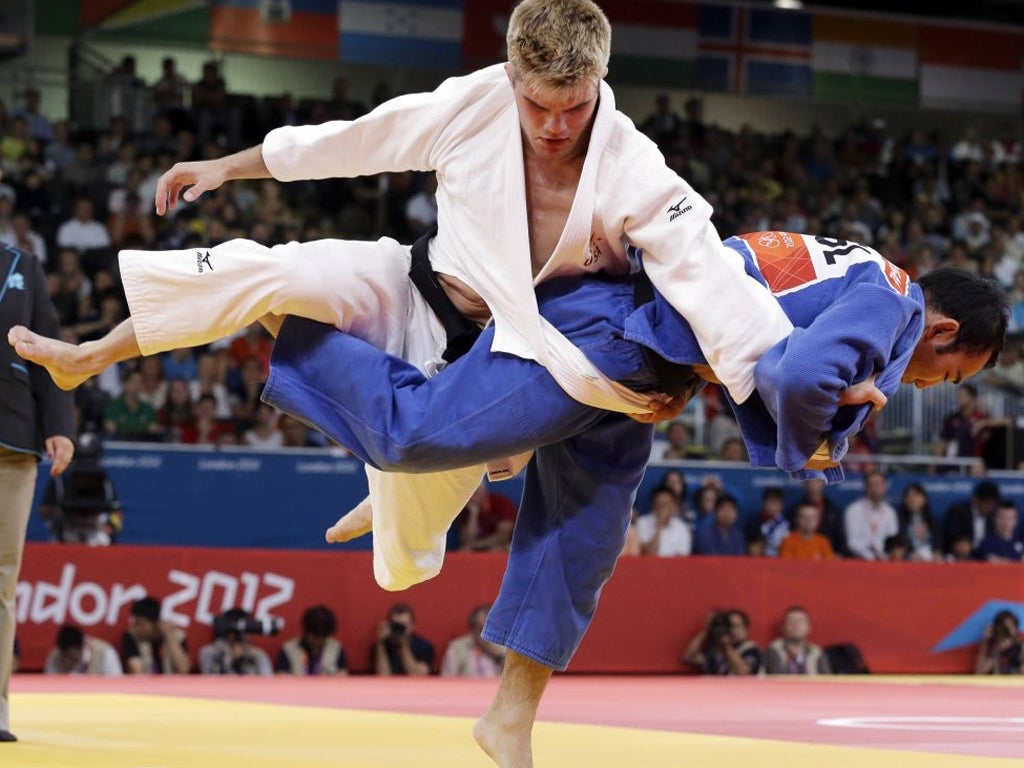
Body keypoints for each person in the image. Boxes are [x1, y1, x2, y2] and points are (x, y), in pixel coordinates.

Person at [0, 244, 75, 743]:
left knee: (3, 574)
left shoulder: (22, 264)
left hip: (13, 435)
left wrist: (60, 424)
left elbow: (51, 347)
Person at [121, 596, 191, 675]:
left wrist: (170, 638)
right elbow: (136, 671)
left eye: (140, 624)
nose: (136, 628)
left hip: (172, 685)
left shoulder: (177, 636)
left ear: (154, 622)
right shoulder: (131, 637)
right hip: (145, 685)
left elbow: (183, 669)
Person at [682, 610, 762, 675]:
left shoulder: (751, 649)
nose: (732, 630)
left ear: (746, 629)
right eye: (730, 626)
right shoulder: (715, 651)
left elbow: (743, 672)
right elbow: (689, 657)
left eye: (736, 626)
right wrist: (705, 630)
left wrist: (726, 645)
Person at [275, 604, 347, 675]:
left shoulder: (336, 649)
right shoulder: (289, 649)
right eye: (314, 636)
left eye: (322, 637)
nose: (317, 641)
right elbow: (281, 678)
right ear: (306, 632)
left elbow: (342, 678)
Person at [198, 608, 274, 676]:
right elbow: (209, 679)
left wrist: (247, 657)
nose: (249, 635)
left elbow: (268, 680)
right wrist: (227, 659)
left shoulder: (257, 655)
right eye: (246, 632)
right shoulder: (209, 652)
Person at [440, 604, 506, 678]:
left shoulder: (505, 646)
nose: (484, 635)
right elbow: (447, 679)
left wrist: (497, 656)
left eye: (488, 630)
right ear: (472, 628)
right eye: (480, 629)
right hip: (467, 688)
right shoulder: (457, 647)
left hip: (498, 687)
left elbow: (514, 677)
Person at [764, 607, 831, 675]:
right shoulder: (774, 650)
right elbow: (777, 678)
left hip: (813, 685)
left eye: (800, 621)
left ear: (809, 627)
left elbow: (827, 679)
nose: (796, 625)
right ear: (782, 627)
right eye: (791, 621)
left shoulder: (817, 652)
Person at [374, 604, 434, 677]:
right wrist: (381, 644)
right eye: (396, 626)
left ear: (412, 626)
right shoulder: (382, 647)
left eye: (403, 626)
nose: (399, 630)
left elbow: (417, 675)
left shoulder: (424, 646)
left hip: (416, 687)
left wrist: (403, 645)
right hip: (389, 686)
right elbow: (383, 676)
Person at [44, 624, 123, 676]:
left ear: (80, 647)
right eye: (64, 657)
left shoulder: (105, 653)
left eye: (70, 657)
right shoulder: (55, 656)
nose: (66, 661)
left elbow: (116, 684)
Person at [636, 485, 691, 557]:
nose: (663, 508)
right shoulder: (642, 523)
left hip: (673, 567)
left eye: (666, 504)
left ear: (674, 506)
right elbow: (647, 553)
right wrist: (660, 526)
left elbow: (682, 559)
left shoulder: (682, 528)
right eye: (659, 504)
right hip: (647, 566)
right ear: (653, 505)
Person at [974, 610, 1023, 674]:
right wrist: (996, 649)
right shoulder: (991, 645)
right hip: (995, 682)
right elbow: (979, 672)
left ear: (1016, 629)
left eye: (1010, 626)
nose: (1007, 630)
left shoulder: (1020, 646)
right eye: (1004, 627)